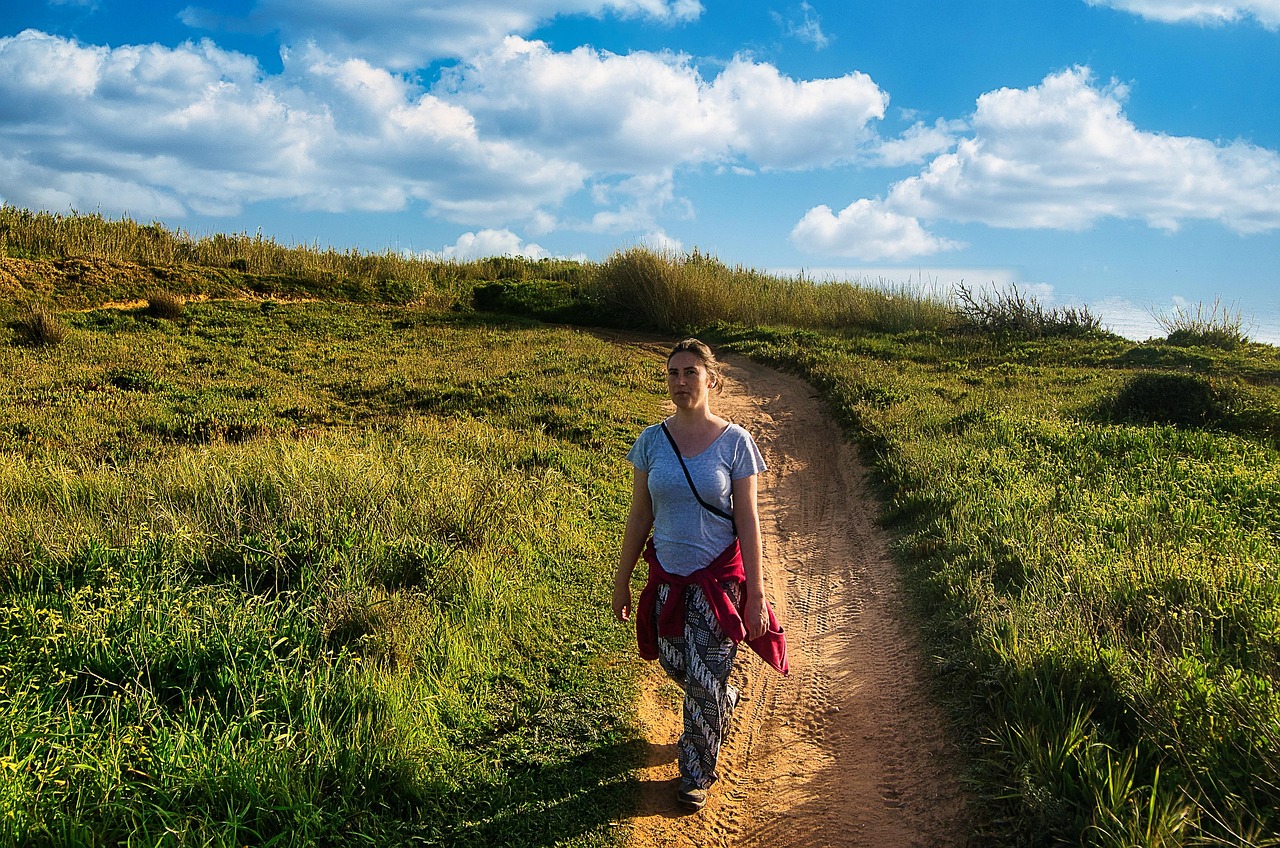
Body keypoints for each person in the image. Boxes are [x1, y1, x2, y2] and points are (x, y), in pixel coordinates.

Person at [612, 338, 787, 812]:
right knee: (676, 663)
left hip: (718, 584)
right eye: (673, 373)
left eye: (691, 372)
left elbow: (749, 521)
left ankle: (695, 773)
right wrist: (622, 577)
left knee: (703, 682)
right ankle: (721, 694)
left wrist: (756, 596)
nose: (681, 381)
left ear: (711, 380)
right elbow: (640, 513)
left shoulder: (736, 442)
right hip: (667, 580)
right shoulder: (651, 441)